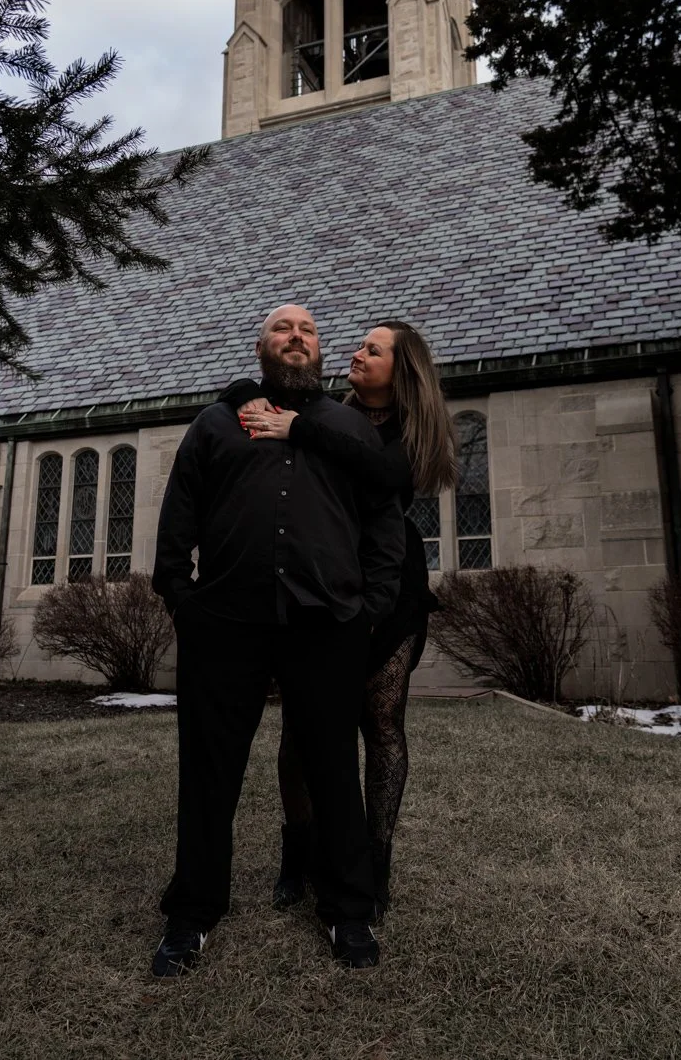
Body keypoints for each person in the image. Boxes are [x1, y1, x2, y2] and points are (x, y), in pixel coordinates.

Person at [151, 304, 405, 977]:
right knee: (209, 770)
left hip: (327, 624)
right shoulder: (216, 422)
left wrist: (371, 606)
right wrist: (181, 595)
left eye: (308, 330)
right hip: (226, 621)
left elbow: (386, 522)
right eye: (281, 328)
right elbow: (180, 511)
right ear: (262, 346)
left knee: (332, 770)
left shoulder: (348, 428)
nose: (296, 336)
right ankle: (192, 912)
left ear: (321, 350)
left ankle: (348, 911)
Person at [222, 319, 457, 920]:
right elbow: (269, 403)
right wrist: (248, 393)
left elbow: (384, 475)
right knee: (303, 731)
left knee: (382, 724)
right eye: (357, 344)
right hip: (323, 586)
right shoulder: (329, 412)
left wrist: (301, 428)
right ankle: (296, 854)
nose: (357, 353)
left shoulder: (412, 433)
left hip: (390, 591)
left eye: (372, 350)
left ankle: (374, 862)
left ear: (400, 371)